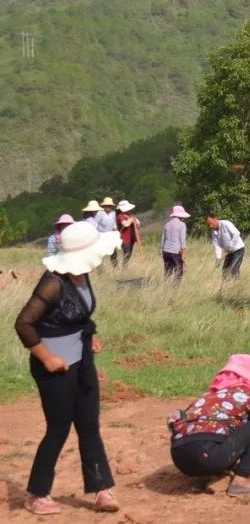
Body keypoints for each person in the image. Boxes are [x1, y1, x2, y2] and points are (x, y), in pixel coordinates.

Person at [13, 221, 122, 515]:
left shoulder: (82, 275)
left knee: (89, 425)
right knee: (58, 428)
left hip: (81, 361)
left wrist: (91, 334)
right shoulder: (53, 282)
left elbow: (78, 315)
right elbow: (23, 324)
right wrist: (47, 358)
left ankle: (102, 489)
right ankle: (36, 494)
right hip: (53, 368)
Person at [168, 354, 250, 497]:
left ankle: (207, 477)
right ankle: (240, 480)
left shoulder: (206, 396)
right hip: (208, 455)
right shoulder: (247, 393)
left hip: (180, 459)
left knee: (221, 434)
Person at [208, 216, 246, 280]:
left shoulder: (226, 223)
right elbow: (217, 246)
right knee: (225, 270)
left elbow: (236, 234)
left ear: (215, 219)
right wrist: (218, 258)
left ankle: (236, 284)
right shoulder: (213, 232)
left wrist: (231, 246)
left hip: (238, 249)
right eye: (208, 225)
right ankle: (226, 285)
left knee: (233, 269)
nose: (210, 226)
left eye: (211, 223)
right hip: (229, 252)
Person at [161, 204, 190, 283]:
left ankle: (165, 287)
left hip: (166, 252)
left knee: (167, 272)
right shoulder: (182, 225)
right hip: (175, 252)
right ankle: (175, 289)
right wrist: (184, 253)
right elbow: (182, 240)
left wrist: (162, 251)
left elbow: (163, 240)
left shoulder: (167, 224)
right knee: (179, 272)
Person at [115, 201, 140, 266]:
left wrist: (135, 221)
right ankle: (124, 268)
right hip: (124, 239)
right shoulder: (120, 216)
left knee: (129, 254)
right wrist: (131, 220)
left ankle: (125, 267)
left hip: (131, 238)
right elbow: (125, 224)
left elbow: (138, 224)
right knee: (127, 253)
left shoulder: (130, 215)